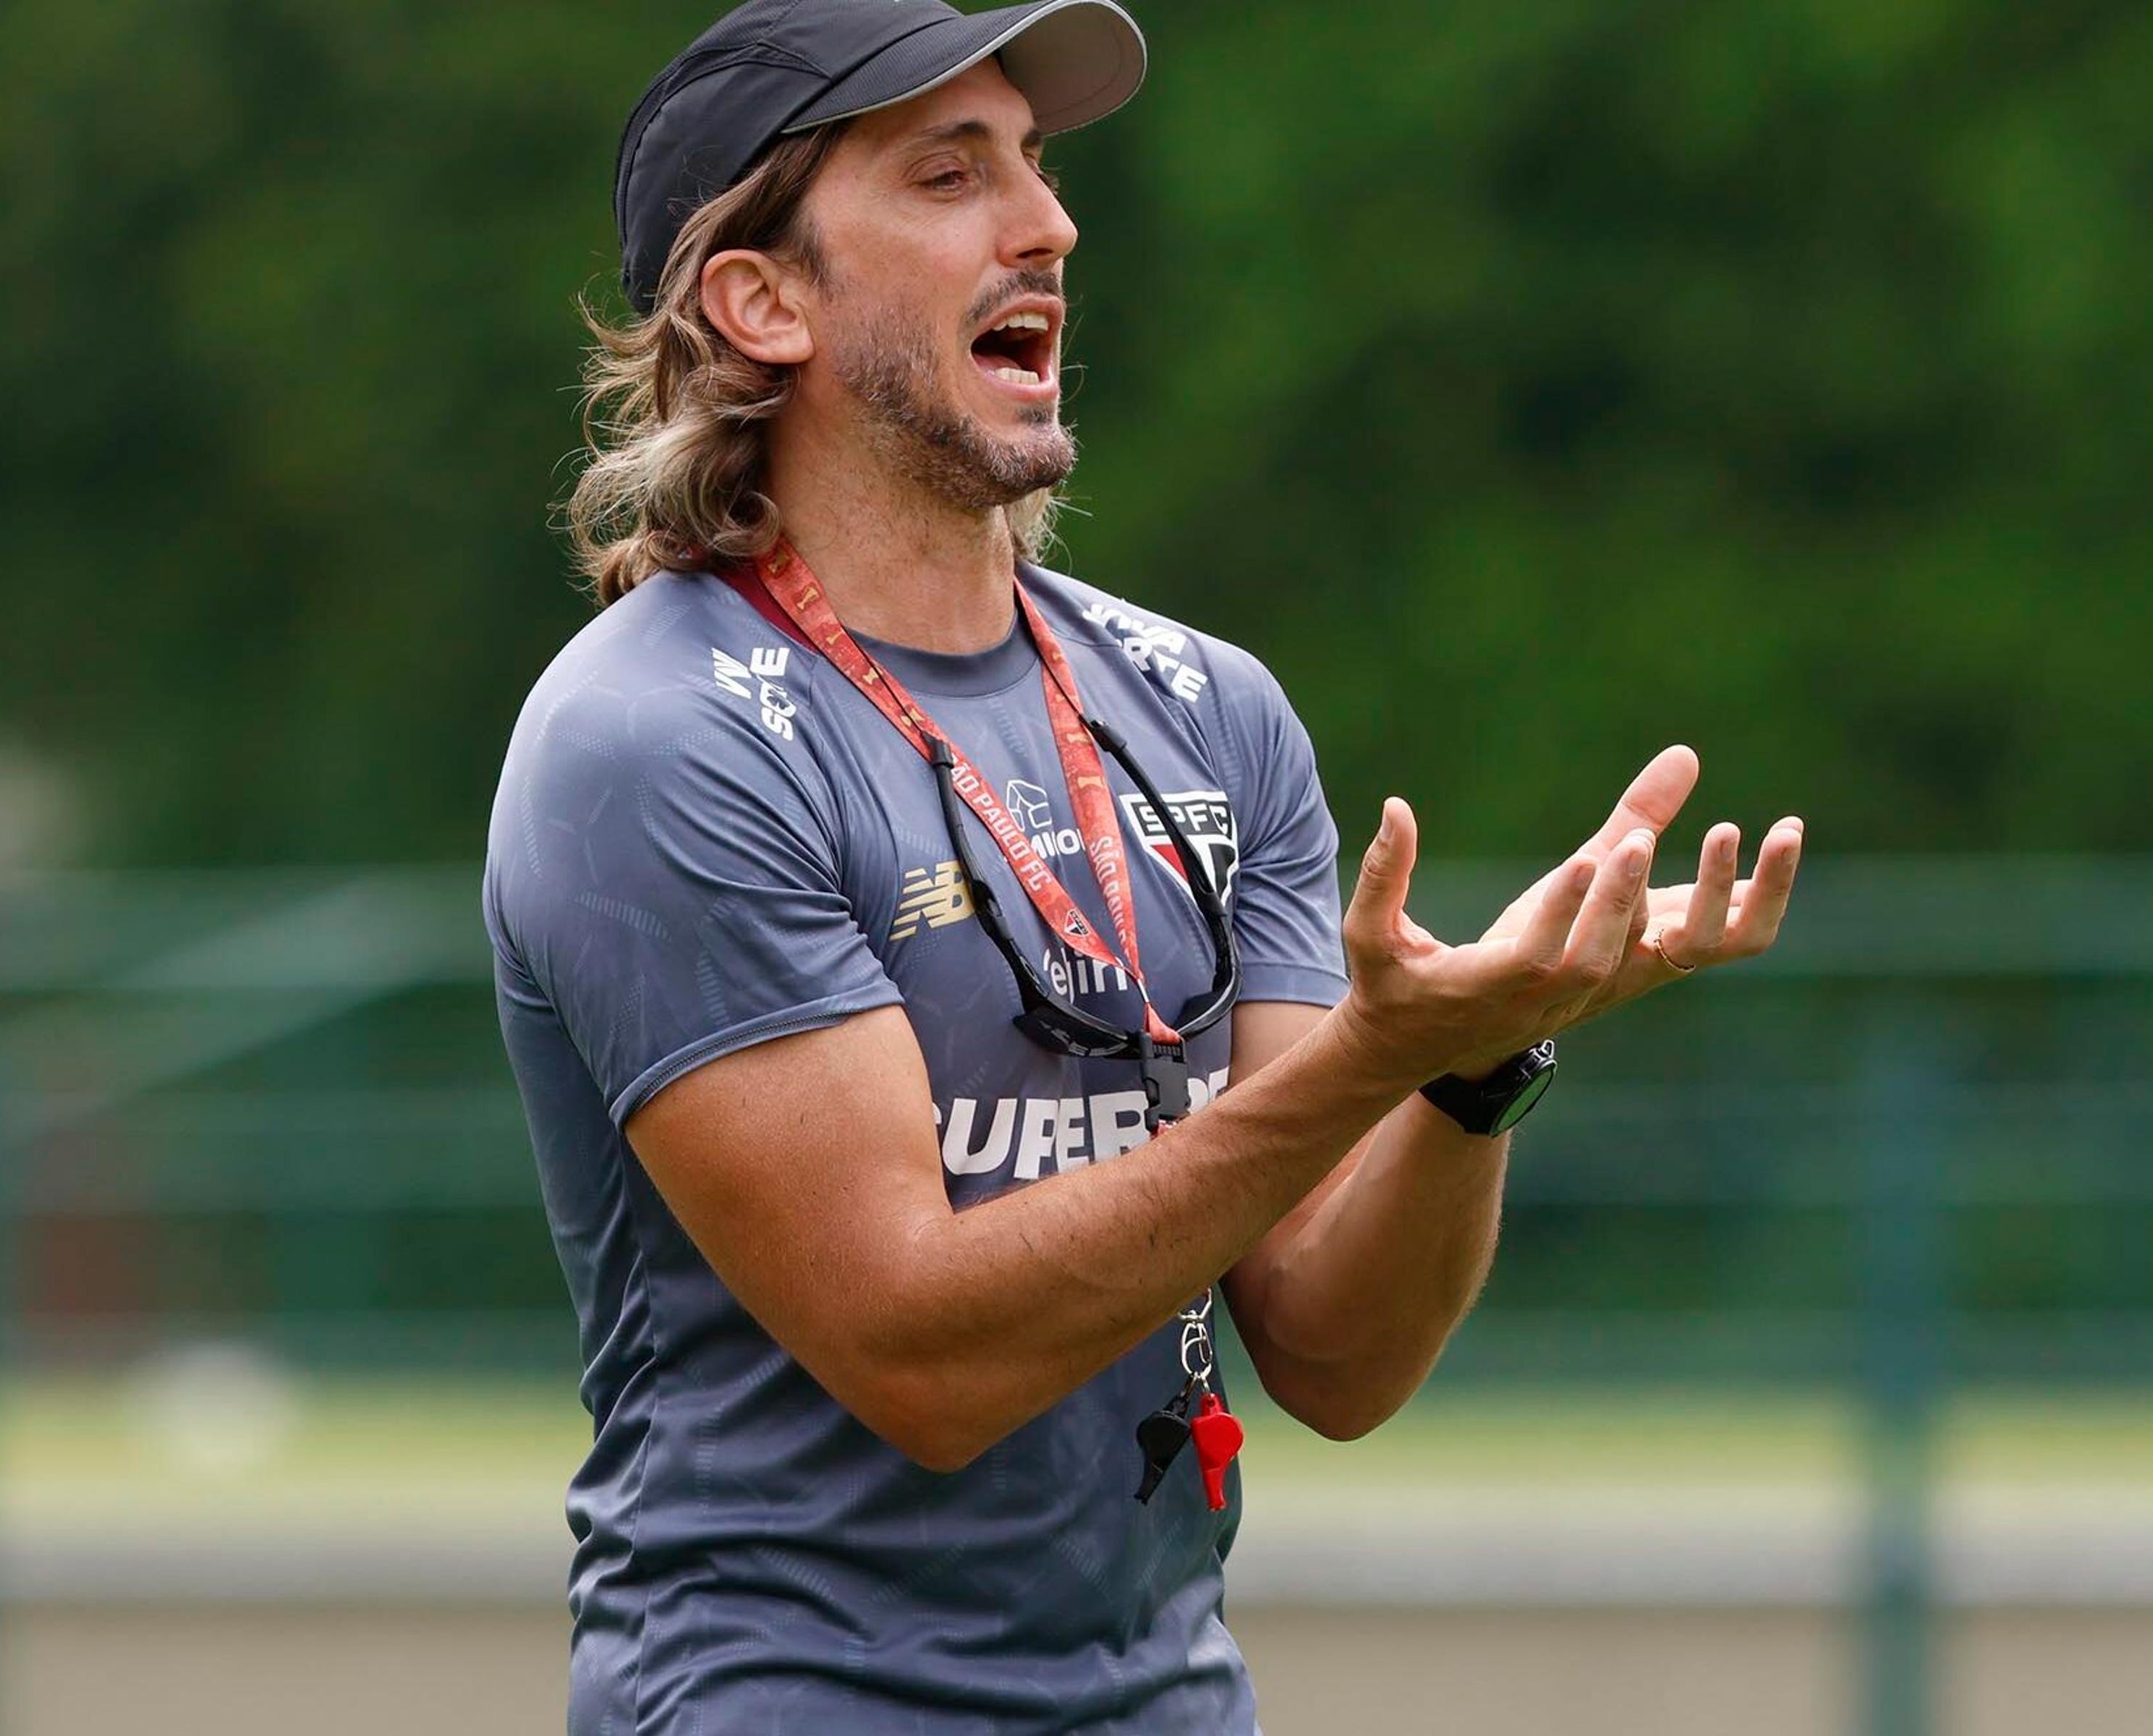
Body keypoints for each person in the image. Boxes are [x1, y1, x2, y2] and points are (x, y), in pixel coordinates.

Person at [483, 0, 1807, 1729]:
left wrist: (1470, 1072)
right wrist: (1366, 1066)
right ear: (763, 301)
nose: (1047, 224)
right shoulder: (661, 738)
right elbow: (923, 1354)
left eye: (1034, 168)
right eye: (949, 174)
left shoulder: (1207, 711)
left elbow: (1333, 1353)